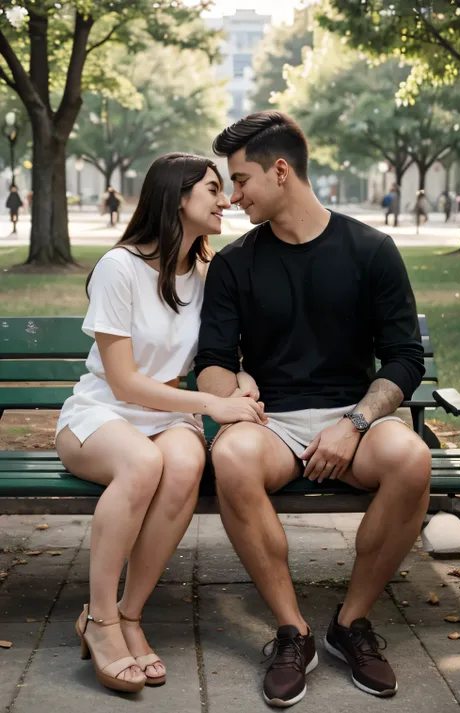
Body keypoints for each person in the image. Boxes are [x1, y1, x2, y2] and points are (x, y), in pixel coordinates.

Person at [195, 112, 431, 707]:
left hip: (354, 417)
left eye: (242, 179)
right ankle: (291, 630)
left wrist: (354, 424)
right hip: (270, 423)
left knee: (410, 457)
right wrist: (238, 387)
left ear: (281, 171)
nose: (235, 195)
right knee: (233, 457)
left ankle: (350, 625)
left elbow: (404, 358)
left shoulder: (370, 250)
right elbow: (214, 362)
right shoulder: (235, 263)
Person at [55, 153, 266, 694]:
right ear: (177, 198)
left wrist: (238, 380)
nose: (228, 201)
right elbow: (123, 383)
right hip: (102, 412)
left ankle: (129, 614)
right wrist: (210, 406)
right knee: (144, 462)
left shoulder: (207, 271)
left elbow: (218, 354)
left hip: (168, 413)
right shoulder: (118, 268)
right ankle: (99, 620)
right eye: (215, 190)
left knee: (186, 464)